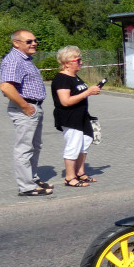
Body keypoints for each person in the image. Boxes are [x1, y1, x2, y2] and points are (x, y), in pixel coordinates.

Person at [0, 29, 52, 196]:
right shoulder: (14, 60)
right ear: (16, 43)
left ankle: (32, 178)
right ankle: (26, 187)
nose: (34, 43)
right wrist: (24, 106)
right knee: (24, 148)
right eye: (29, 41)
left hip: (33, 107)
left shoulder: (26, 59)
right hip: (26, 109)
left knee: (35, 146)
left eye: (35, 40)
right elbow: (6, 87)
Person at [51, 46, 102, 187]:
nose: (81, 63)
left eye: (80, 60)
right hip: (70, 117)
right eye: (77, 60)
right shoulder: (62, 78)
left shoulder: (74, 76)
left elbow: (79, 93)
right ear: (67, 63)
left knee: (84, 143)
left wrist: (92, 90)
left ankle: (80, 173)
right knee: (73, 146)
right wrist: (88, 92)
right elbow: (65, 101)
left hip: (82, 116)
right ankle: (69, 177)